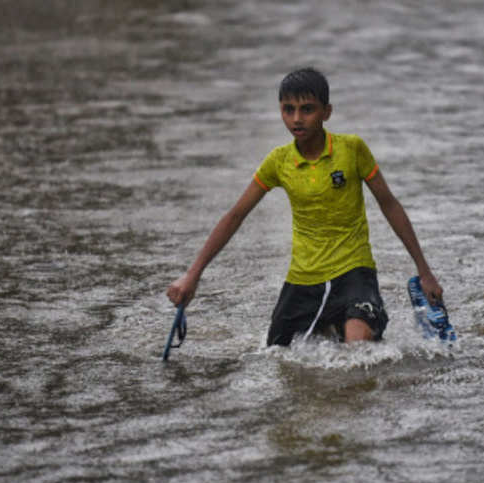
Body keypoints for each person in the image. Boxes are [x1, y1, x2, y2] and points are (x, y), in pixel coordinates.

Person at [167, 67, 443, 346]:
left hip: (354, 272)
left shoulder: (352, 150)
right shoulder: (278, 161)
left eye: (307, 109)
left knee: (358, 347)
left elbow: (389, 205)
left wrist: (425, 272)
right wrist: (193, 276)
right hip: (303, 279)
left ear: (327, 112)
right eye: (288, 109)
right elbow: (236, 215)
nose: (296, 119)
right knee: (276, 354)